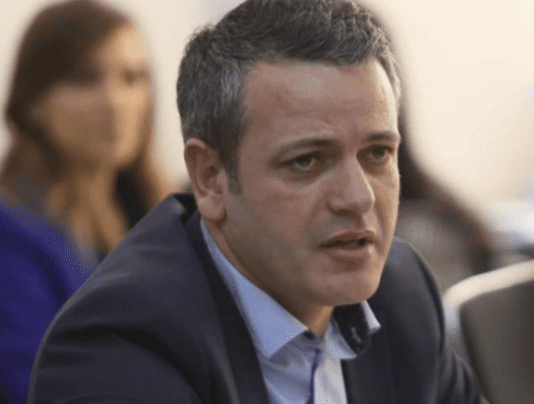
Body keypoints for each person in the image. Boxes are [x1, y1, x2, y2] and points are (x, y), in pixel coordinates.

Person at [28, 0, 486, 403]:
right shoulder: (120, 346)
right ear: (210, 179)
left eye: (378, 154)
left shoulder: (401, 293)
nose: (358, 197)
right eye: (307, 161)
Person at [0, 1, 173, 402]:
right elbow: (39, 385)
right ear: (33, 103)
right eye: (85, 78)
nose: (114, 101)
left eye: (132, 78)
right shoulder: (11, 234)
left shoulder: (170, 217)